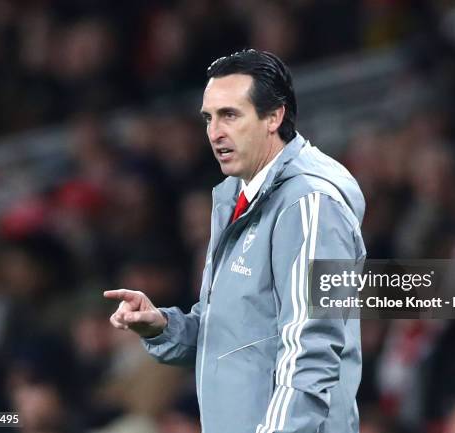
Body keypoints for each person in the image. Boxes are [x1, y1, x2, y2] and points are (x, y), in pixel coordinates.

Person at [105, 49, 366, 433]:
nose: (214, 132)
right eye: (209, 118)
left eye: (230, 115)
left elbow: (311, 348)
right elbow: (235, 335)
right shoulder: (234, 197)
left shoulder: (310, 204)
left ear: (273, 117)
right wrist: (161, 326)